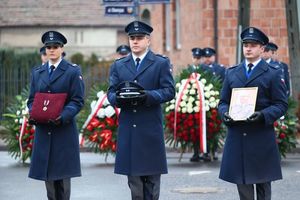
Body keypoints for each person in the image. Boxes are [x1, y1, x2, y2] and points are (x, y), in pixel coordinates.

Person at [107, 20, 175, 200]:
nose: (135, 42)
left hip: (150, 127)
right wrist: (119, 99)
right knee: (134, 182)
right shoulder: (119, 65)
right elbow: (111, 93)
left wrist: (148, 96)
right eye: (132, 38)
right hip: (130, 128)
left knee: (152, 180)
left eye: (139, 38)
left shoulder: (160, 63)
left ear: (148, 40)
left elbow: (169, 91)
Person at [218, 27, 288, 200]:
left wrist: (263, 115)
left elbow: (280, 104)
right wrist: (225, 113)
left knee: (263, 185)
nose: (248, 48)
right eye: (246, 45)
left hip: (260, 136)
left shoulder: (272, 73)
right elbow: (223, 102)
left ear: (262, 49)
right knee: (243, 187)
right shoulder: (232, 72)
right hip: (238, 136)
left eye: (253, 45)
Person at [27, 30, 85, 200]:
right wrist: (34, 112)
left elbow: (77, 100)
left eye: (55, 46)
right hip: (44, 130)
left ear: (61, 49)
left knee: (62, 180)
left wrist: (63, 116)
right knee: (48, 179)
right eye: (48, 47)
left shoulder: (72, 71)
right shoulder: (38, 72)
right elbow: (32, 99)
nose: (51, 50)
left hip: (63, 130)